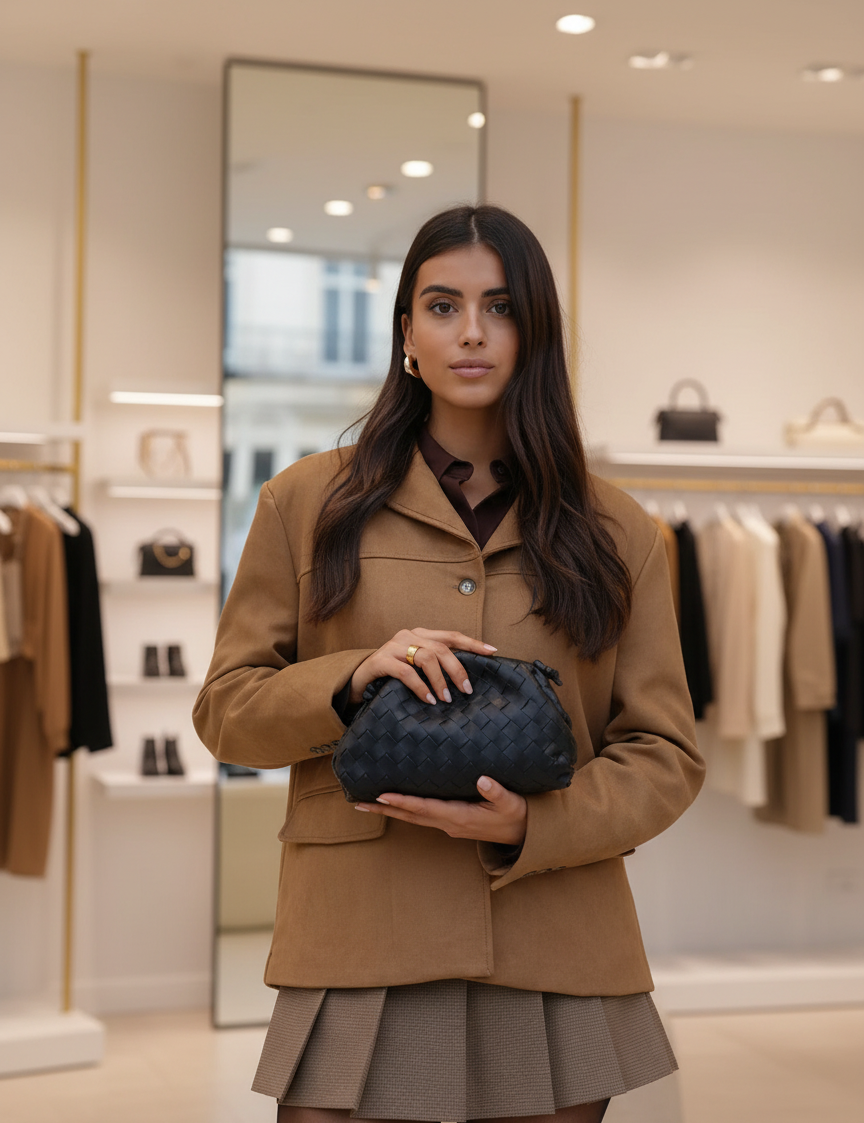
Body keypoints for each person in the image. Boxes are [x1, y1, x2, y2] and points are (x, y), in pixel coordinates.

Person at [193, 204, 704, 1123]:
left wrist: (530, 825)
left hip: (554, 933)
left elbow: (665, 753)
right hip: (356, 930)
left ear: (534, 333)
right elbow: (227, 711)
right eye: (442, 305)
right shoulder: (303, 502)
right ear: (406, 337)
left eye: (501, 307)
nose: (471, 331)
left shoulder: (622, 531)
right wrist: (350, 677)